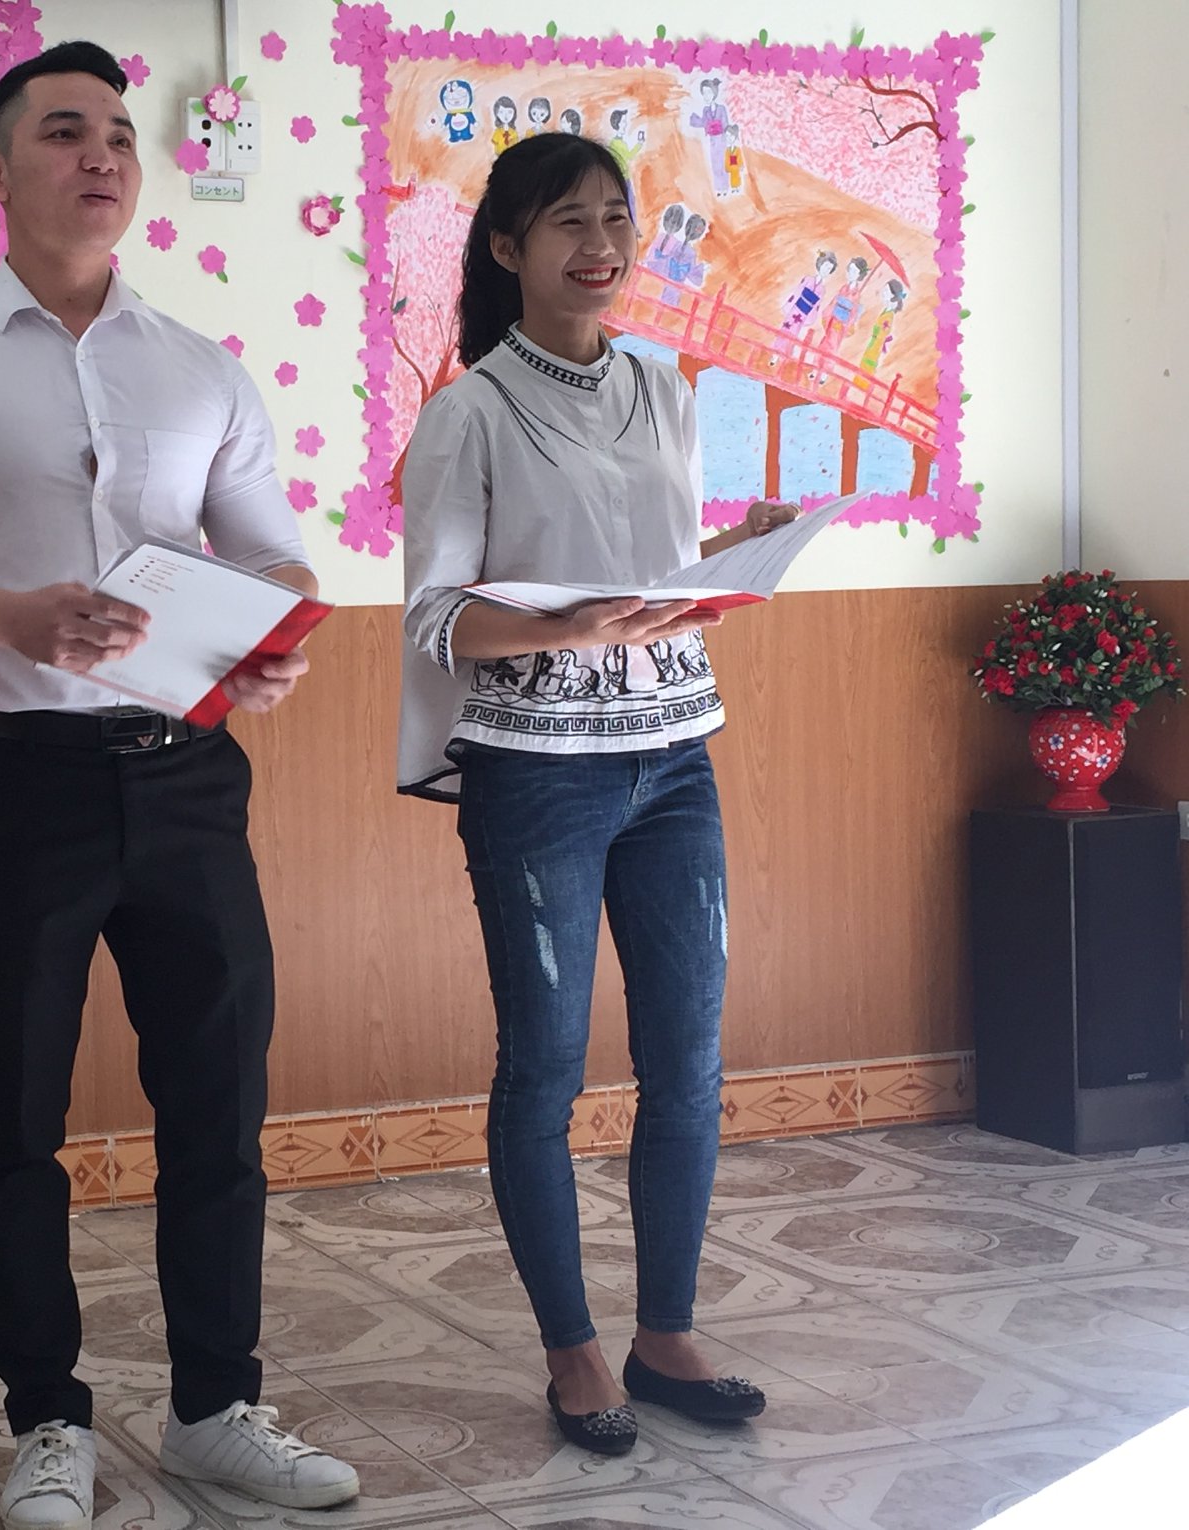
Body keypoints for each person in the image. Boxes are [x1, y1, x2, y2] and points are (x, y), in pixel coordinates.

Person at [0, 40, 359, 1530]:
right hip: (16, 789)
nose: (103, 154)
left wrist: (266, 648)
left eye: (119, 132)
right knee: (17, 1115)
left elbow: (271, 554)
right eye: (64, 132)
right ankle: (47, 1419)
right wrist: (7, 616)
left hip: (190, 782)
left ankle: (215, 1407)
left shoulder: (200, 367)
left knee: (218, 1105)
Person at [397, 133, 790, 1456]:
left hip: (676, 757)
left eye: (617, 218)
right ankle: (571, 1349)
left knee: (689, 1052)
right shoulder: (467, 412)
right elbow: (436, 617)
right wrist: (564, 627)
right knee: (547, 1064)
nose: (602, 245)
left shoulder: (666, 389)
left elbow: (651, 572)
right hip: (537, 773)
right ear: (507, 247)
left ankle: (664, 1333)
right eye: (568, 221)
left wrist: (728, 557)